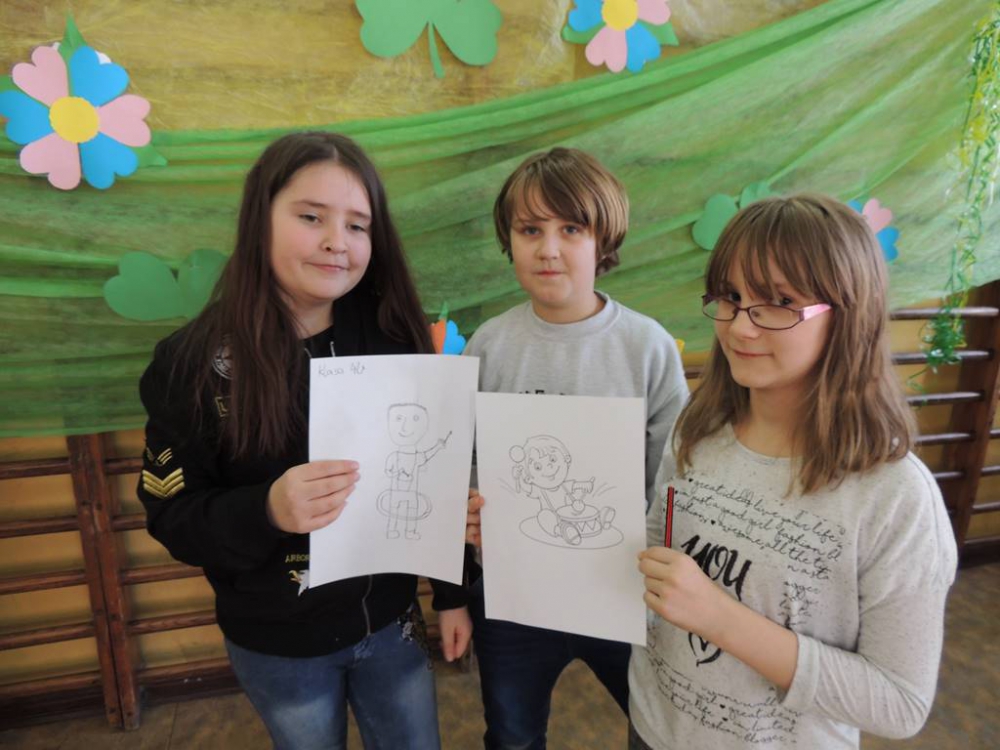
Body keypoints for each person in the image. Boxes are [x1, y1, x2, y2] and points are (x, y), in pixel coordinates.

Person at [136, 132, 471, 750]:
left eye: (357, 225)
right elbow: (172, 516)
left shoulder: (396, 334)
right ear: (259, 219)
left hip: (390, 624)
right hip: (278, 643)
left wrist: (453, 596)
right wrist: (266, 508)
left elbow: (435, 483)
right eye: (311, 217)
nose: (337, 241)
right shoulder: (189, 363)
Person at [628, 194, 958, 750]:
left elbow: (900, 702)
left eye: (780, 302)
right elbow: (652, 558)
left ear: (848, 314)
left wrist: (719, 618)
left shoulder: (894, 495)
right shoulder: (698, 429)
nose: (741, 327)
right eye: (732, 297)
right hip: (652, 729)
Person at [463, 147, 689, 749]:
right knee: (512, 735)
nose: (548, 249)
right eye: (529, 230)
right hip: (513, 598)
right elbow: (470, 462)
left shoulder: (646, 346)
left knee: (657, 730)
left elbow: (674, 479)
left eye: (571, 229)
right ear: (509, 240)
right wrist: (472, 511)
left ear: (602, 240)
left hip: (619, 589)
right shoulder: (489, 345)